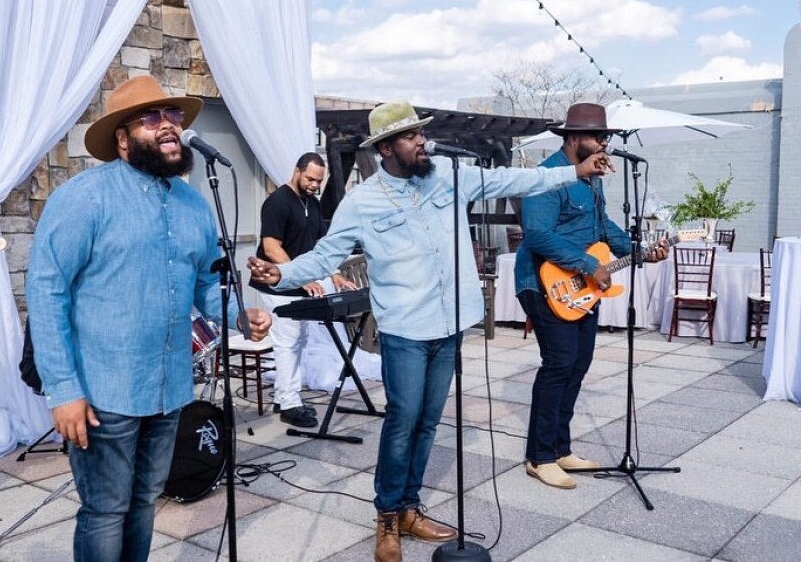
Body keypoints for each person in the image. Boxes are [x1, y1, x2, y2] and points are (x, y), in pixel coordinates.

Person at [247, 101, 611, 562]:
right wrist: (281, 276)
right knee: (403, 421)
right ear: (385, 148)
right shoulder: (363, 201)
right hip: (404, 329)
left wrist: (574, 172)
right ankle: (386, 515)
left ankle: (410, 508)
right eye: (410, 136)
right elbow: (325, 256)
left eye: (421, 133)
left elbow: (515, 180)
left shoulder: (449, 174)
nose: (421, 141)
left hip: (450, 324)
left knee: (429, 421)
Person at [26, 75, 271, 561]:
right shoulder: (84, 198)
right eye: (152, 117)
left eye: (174, 116)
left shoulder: (194, 204)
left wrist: (240, 318)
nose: (169, 126)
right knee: (105, 509)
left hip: (169, 388)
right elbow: (46, 290)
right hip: (103, 391)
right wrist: (63, 390)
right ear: (122, 139)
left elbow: (203, 282)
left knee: (142, 502)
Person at [514, 102, 667, 490]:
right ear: (572, 138)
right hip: (543, 282)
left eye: (606, 137)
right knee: (559, 364)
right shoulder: (546, 176)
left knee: (578, 365)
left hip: (581, 287)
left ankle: (560, 449)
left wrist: (640, 249)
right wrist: (586, 264)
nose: (604, 143)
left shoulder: (592, 179)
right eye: (598, 137)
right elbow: (537, 233)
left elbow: (603, 227)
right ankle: (540, 457)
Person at [250, 152, 355, 428]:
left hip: (298, 283)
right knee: (288, 341)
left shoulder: (313, 203)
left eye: (318, 181)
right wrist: (297, 276)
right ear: (297, 171)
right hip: (276, 283)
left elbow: (319, 247)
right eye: (309, 178)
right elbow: (272, 247)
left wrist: (336, 274)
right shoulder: (277, 202)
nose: (313, 185)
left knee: (299, 341)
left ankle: (285, 395)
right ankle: (289, 403)